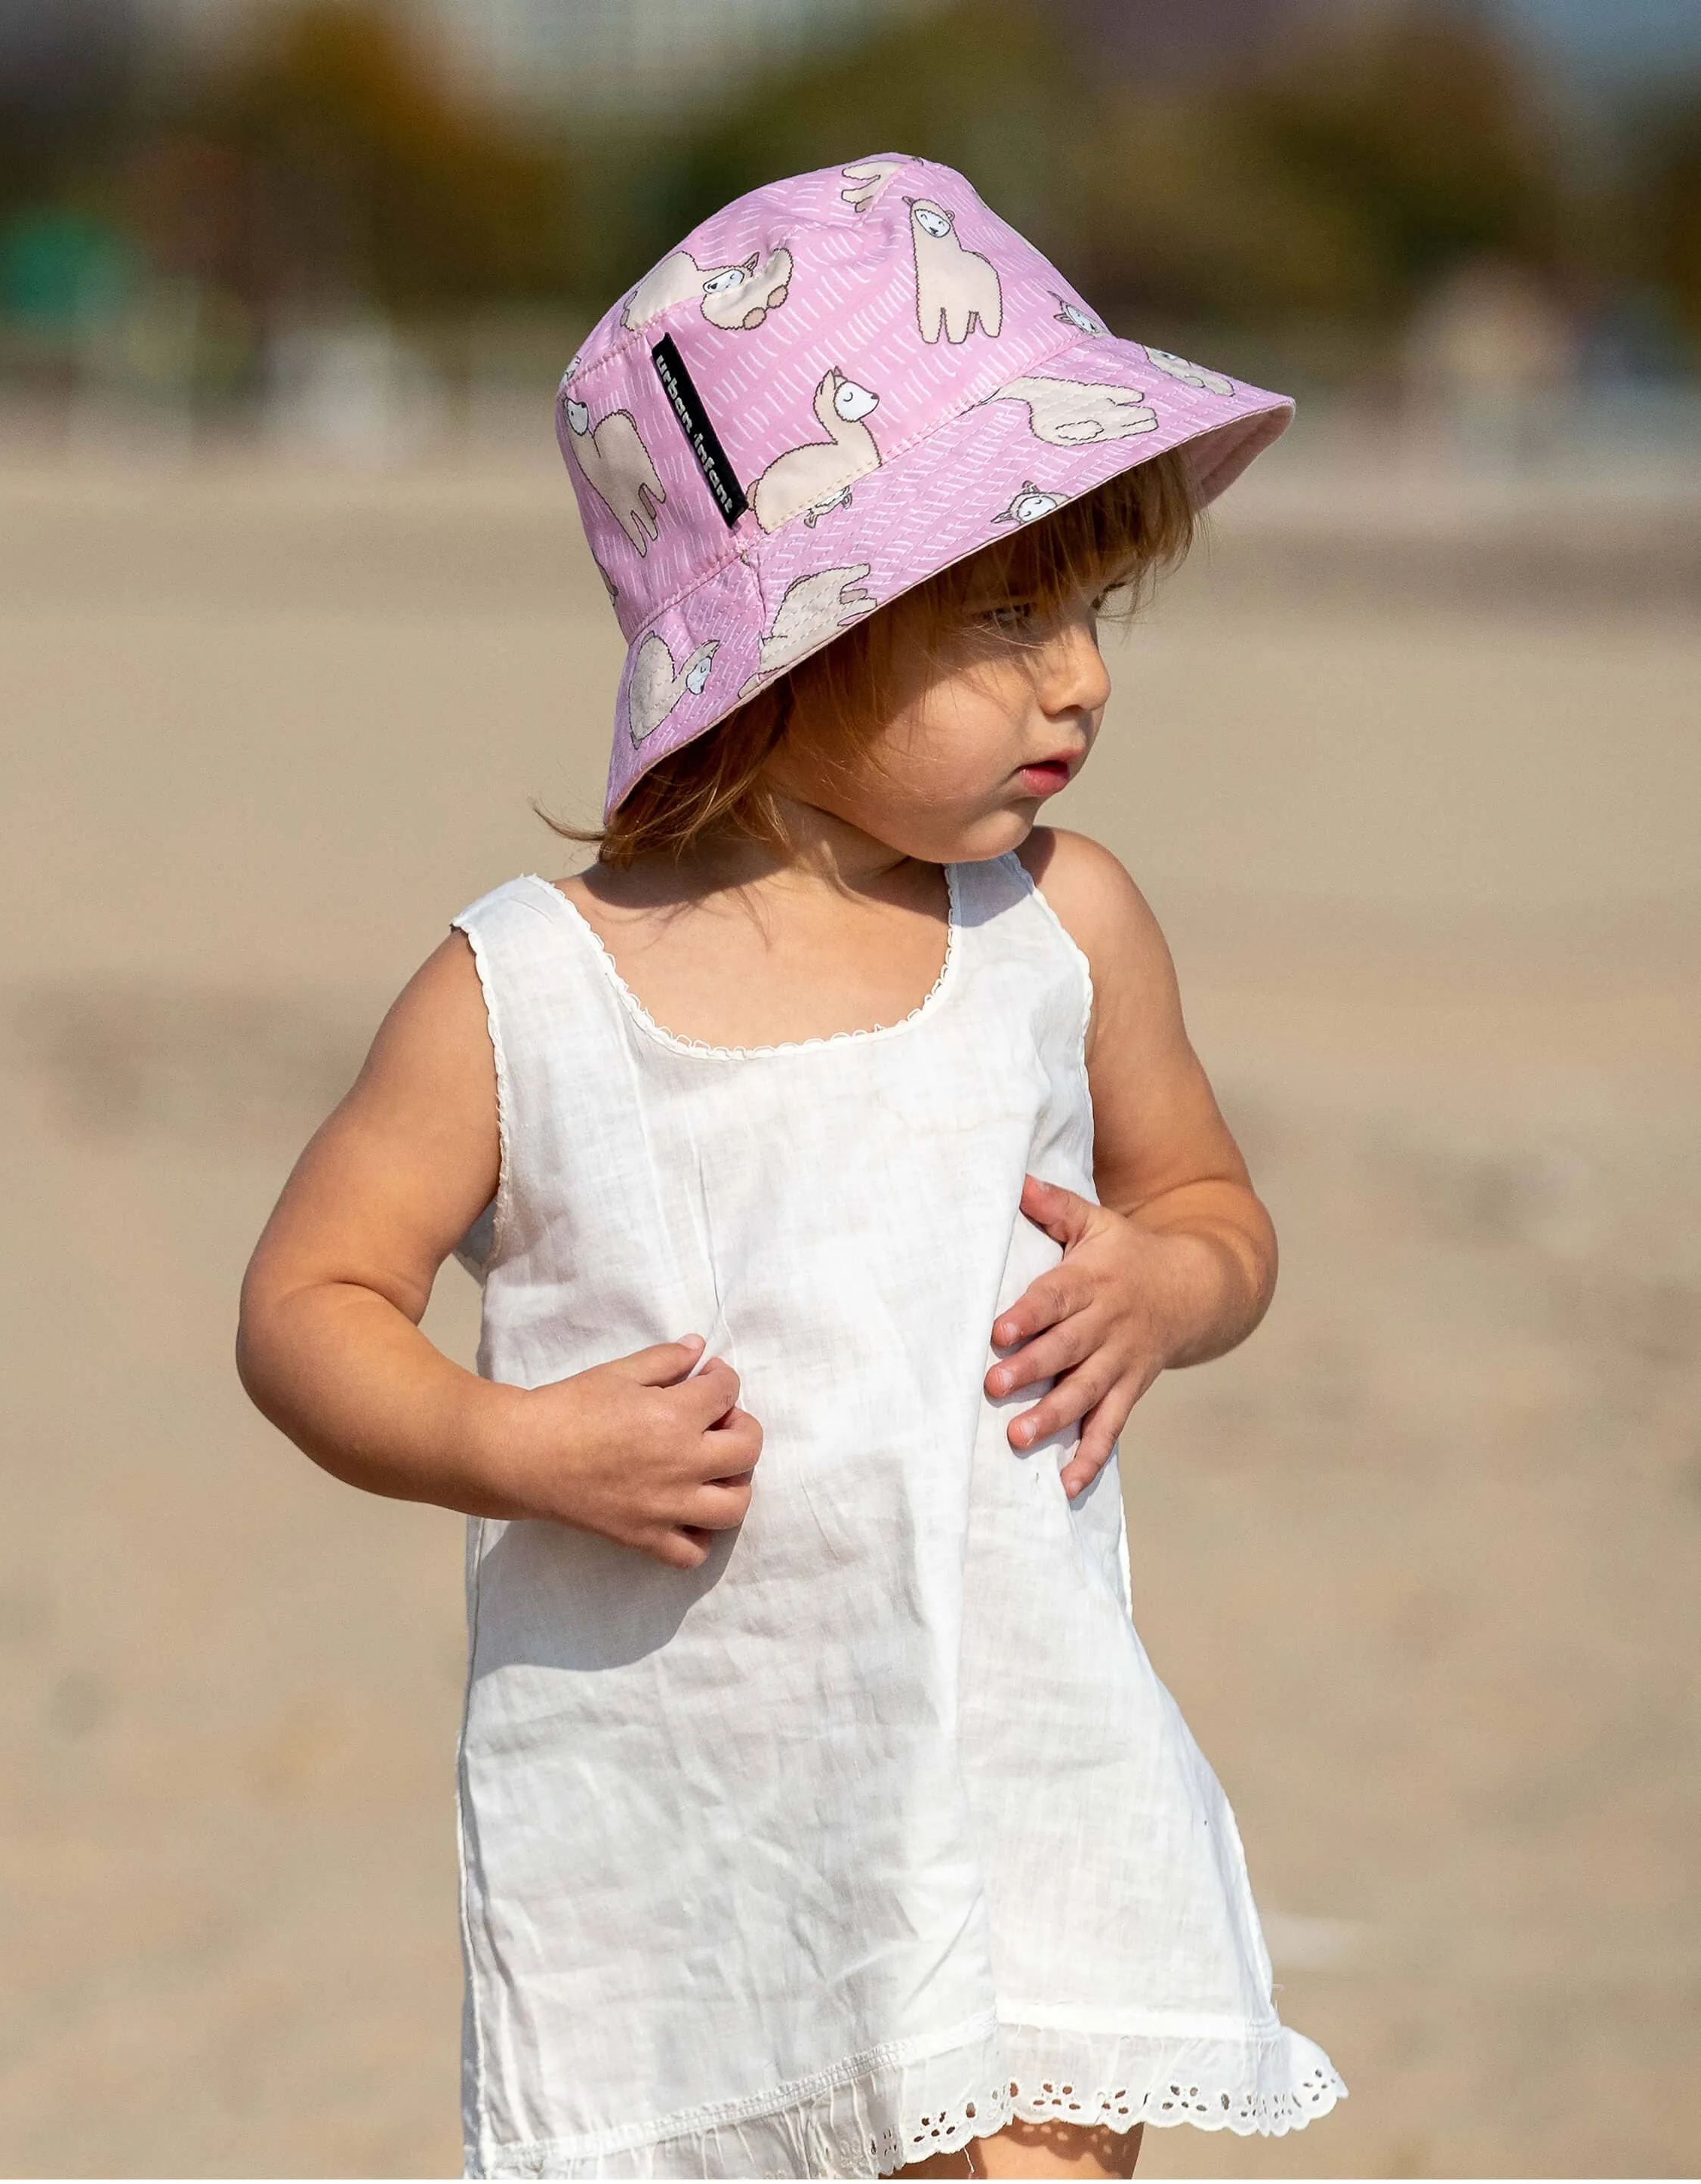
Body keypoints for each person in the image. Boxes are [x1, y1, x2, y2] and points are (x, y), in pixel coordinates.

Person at [238, 156, 1345, 2180]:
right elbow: (307, 1305)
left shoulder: (1059, 928)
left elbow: (1215, 1209)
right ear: (781, 648)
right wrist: (511, 1444)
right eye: (1004, 611)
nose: (1078, 676)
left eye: (1088, 607)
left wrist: (1161, 1286)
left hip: (1020, 1757)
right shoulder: (532, 995)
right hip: (700, 1819)